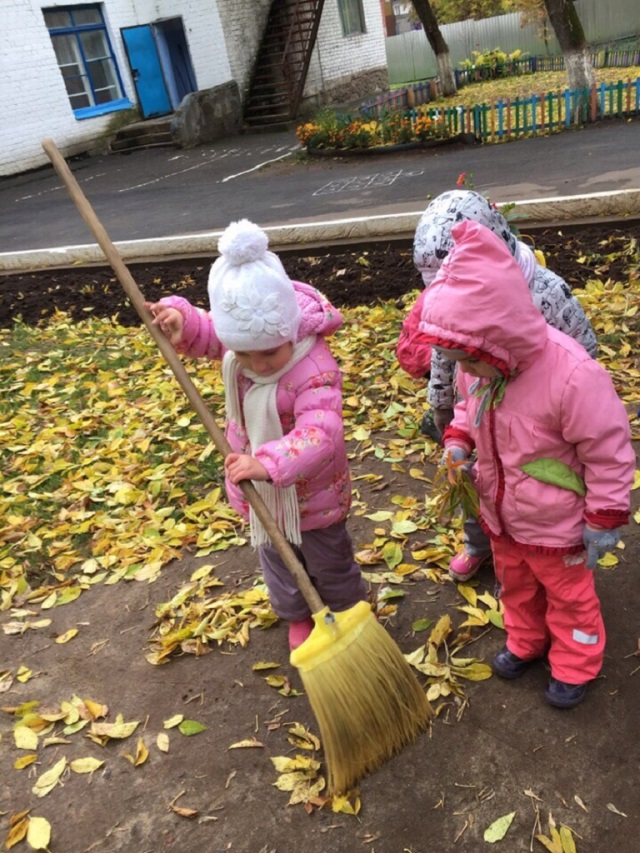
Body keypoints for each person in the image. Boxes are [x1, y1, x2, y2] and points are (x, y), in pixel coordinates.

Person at [418, 219, 634, 708]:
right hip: (504, 517)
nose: (465, 373)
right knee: (514, 585)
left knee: (569, 596)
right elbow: (469, 412)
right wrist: (457, 442)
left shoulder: (572, 376)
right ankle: (526, 641)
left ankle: (576, 662)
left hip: (558, 526)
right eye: (459, 362)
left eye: (469, 361)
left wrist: (603, 516)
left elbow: (608, 449)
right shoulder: (484, 370)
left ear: (499, 337)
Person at [146, 219, 368, 651]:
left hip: (313, 497)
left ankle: (347, 613)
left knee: (330, 563)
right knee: (279, 563)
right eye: (243, 353)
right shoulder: (242, 349)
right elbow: (211, 335)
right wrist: (181, 321)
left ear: (288, 330)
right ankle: (298, 614)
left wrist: (267, 463)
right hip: (263, 498)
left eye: (269, 352)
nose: (258, 364)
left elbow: (321, 433)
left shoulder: (313, 368)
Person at [397, 189, 598, 583]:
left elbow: (584, 350)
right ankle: (480, 544)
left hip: (539, 424)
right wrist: (441, 403)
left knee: (541, 489)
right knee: (476, 484)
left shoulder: (545, 291)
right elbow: (442, 354)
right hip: (476, 416)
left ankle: (555, 549)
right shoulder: (445, 307)